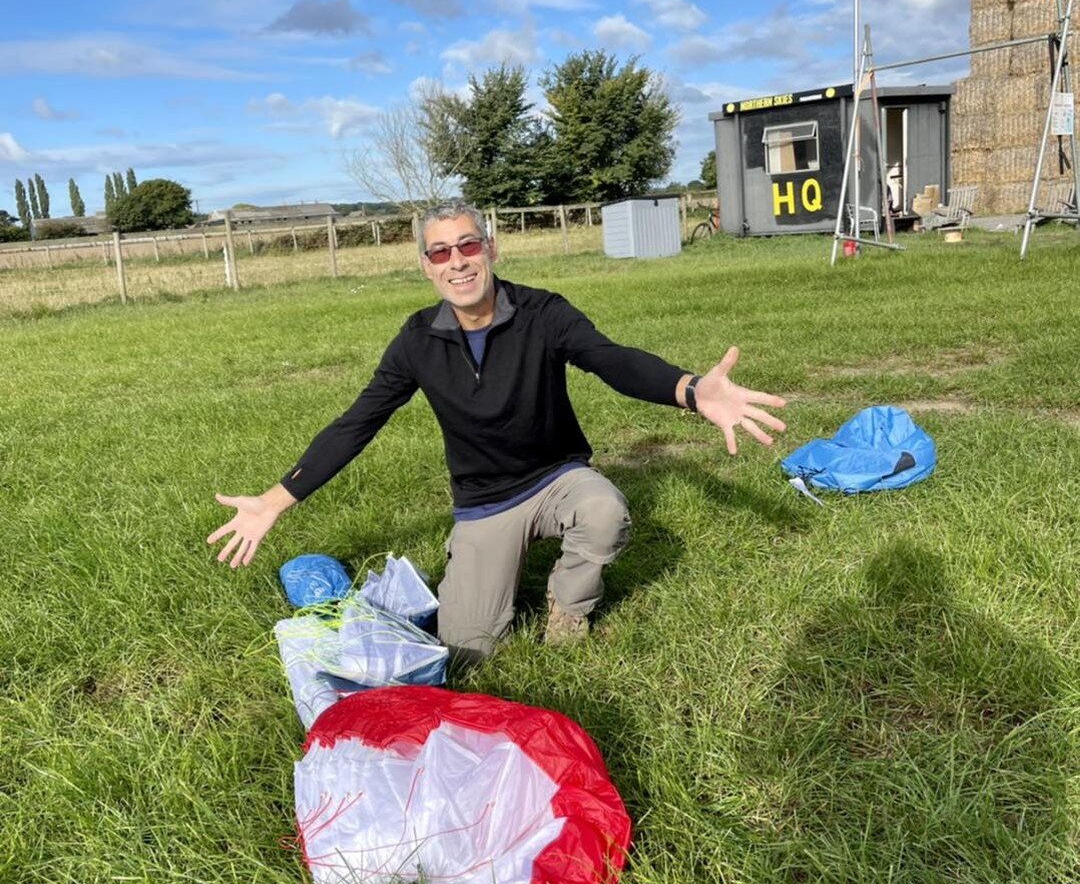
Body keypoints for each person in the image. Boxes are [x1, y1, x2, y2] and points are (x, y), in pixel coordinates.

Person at [208, 202, 787, 656]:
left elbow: (609, 358)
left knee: (605, 511)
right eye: (439, 253)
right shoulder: (416, 340)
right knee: (467, 650)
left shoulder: (542, 312)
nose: (456, 261)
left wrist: (689, 390)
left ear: (490, 247)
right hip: (485, 502)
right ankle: (477, 565)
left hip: (557, 477)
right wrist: (277, 499)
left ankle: (568, 607)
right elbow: (359, 421)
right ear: (426, 266)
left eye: (467, 244)